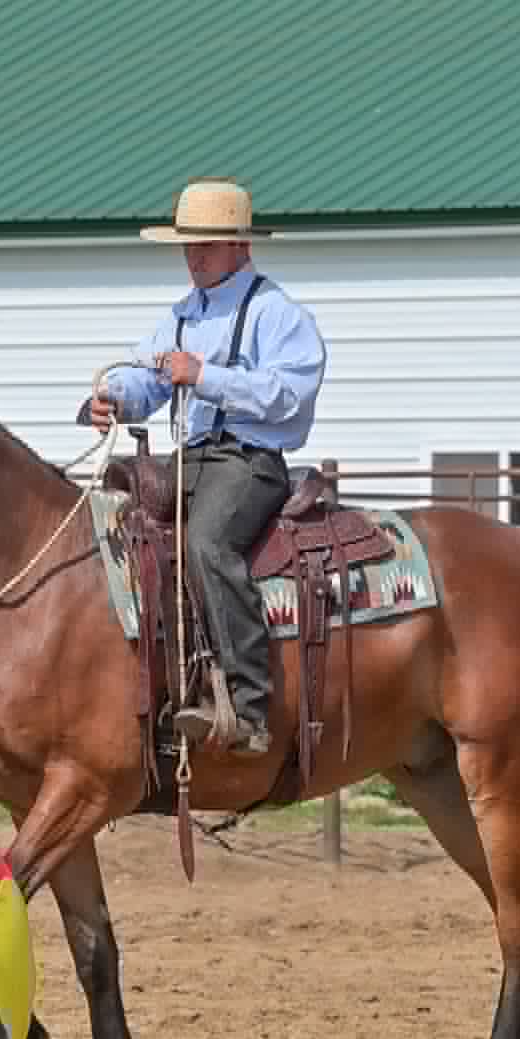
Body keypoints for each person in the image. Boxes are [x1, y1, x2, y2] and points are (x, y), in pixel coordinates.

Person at [87, 177, 329, 756]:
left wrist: (204, 376)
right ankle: (157, 685)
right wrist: (114, 397)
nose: (194, 257)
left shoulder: (279, 315)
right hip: (188, 459)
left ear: (241, 247)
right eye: (188, 245)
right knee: (116, 535)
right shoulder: (178, 316)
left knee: (209, 544)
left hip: (249, 461)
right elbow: (146, 376)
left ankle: (249, 706)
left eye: (207, 245)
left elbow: (288, 395)